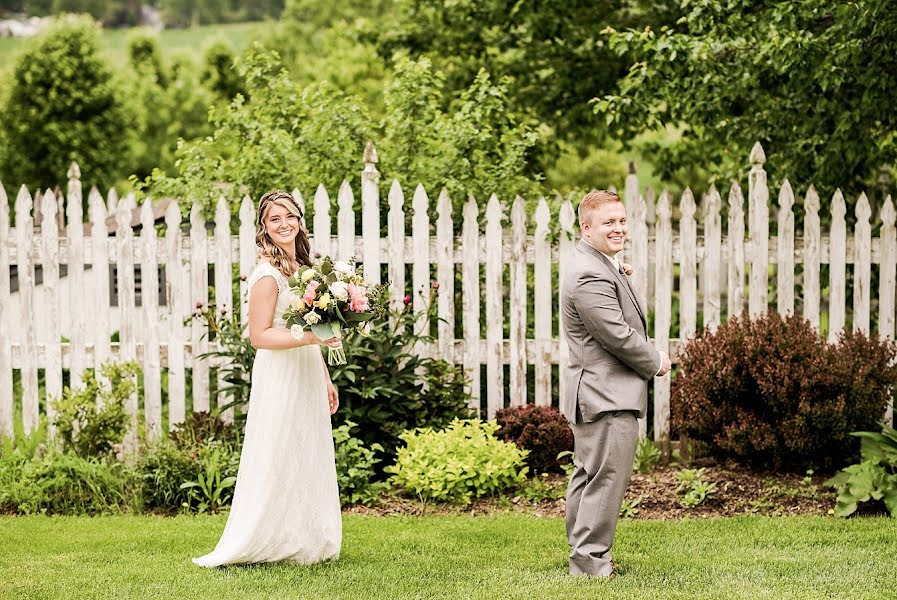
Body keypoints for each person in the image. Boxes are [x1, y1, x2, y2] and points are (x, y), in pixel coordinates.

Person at [193, 190, 344, 568]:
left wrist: (325, 376)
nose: (283, 225)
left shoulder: (306, 270)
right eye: (274, 219)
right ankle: (266, 539)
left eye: (289, 216)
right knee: (278, 450)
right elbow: (259, 336)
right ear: (263, 226)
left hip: (307, 369)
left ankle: (306, 539)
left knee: (305, 448)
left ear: (300, 220)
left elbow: (312, 328)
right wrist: (314, 337)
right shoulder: (267, 275)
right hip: (280, 373)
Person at [560, 189, 671, 577]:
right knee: (605, 480)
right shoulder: (590, 272)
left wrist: (618, 270)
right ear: (585, 227)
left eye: (622, 221)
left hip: (595, 389)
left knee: (589, 476)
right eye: (609, 222)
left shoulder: (596, 262)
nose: (619, 228)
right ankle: (590, 562)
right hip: (605, 393)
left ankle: (583, 555)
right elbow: (616, 334)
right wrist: (655, 361)